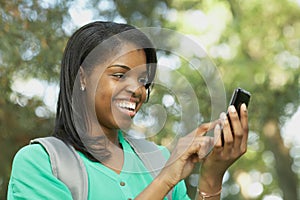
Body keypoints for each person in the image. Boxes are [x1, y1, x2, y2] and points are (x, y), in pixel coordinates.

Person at [7, 21, 249, 200]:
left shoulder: (159, 159)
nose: (138, 90)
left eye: (143, 80)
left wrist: (212, 174)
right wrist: (165, 179)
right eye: (120, 75)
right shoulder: (41, 163)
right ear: (83, 77)